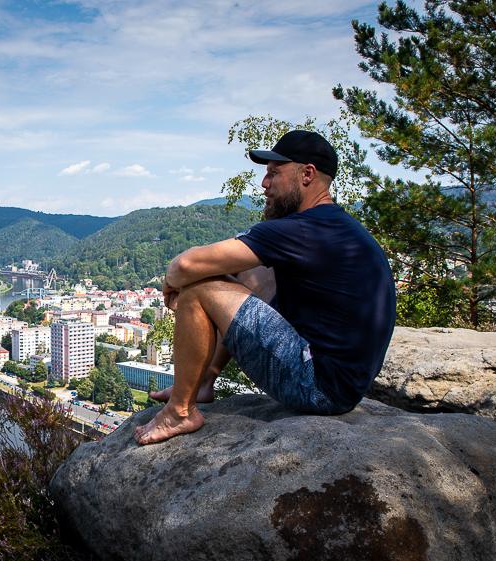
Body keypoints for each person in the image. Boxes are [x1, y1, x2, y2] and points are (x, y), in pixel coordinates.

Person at [135, 130, 396, 445]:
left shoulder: (301, 230)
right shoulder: (335, 227)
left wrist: (173, 284)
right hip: (344, 385)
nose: (264, 184)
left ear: (307, 174)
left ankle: (179, 412)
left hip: (317, 386)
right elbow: (242, 273)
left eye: (274, 173)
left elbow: (185, 266)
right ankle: (203, 381)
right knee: (252, 271)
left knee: (198, 287)